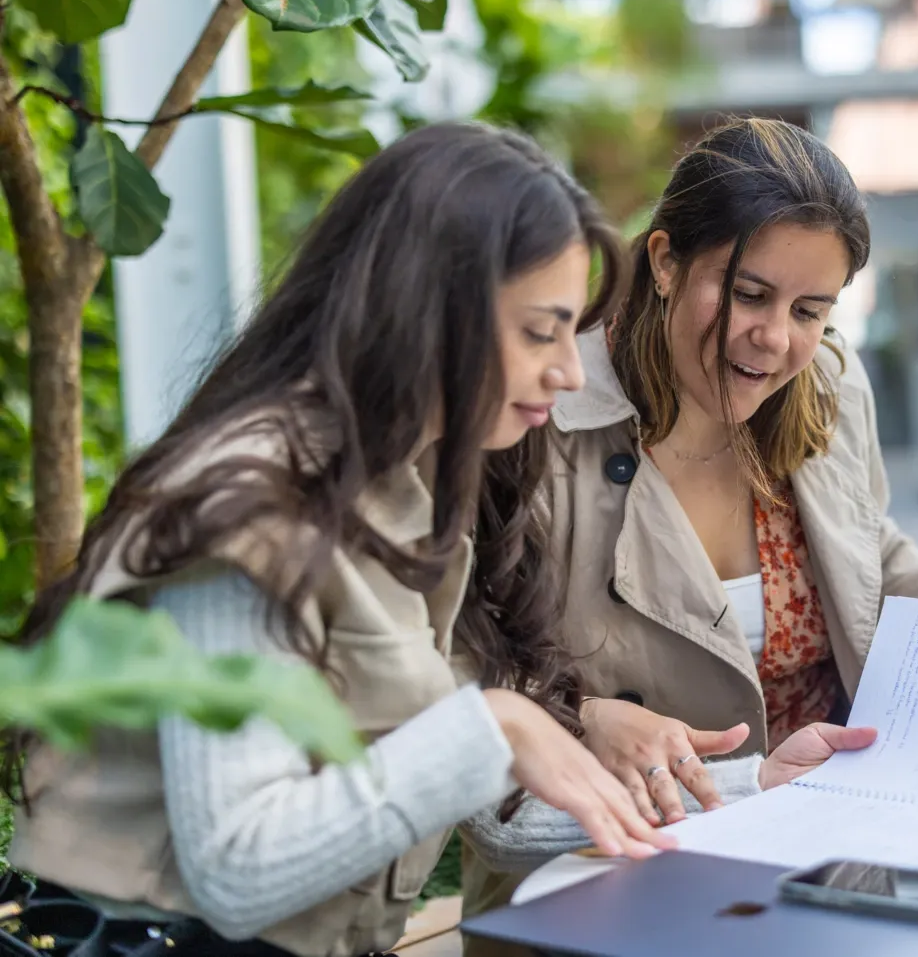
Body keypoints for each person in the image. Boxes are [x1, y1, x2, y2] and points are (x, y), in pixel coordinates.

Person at [1, 122, 676, 957]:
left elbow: (484, 793)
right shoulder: (251, 504)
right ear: (428, 307)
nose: (570, 373)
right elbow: (236, 868)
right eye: (541, 332)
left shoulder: (400, 486)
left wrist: (755, 791)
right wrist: (494, 725)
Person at [461, 117, 918, 945]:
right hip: (607, 904)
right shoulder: (534, 418)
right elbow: (473, 702)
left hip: (834, 882)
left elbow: (872, 552)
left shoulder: (830, 388)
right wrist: (585, 716)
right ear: (664, 261)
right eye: (747, 293)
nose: (775, 340)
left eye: (811, 309)